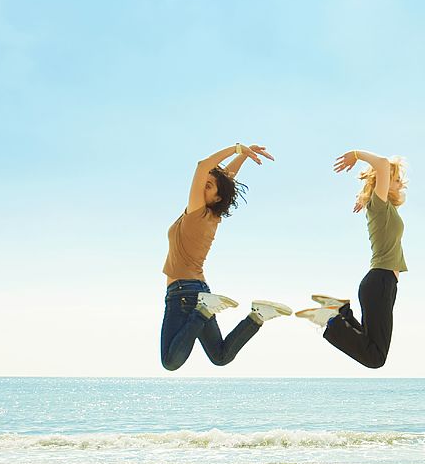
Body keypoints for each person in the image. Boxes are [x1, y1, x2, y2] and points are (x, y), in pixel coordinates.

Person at [160, 143, 291, 371]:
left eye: (207, 186)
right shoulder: (209, 215)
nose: (202, 187)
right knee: (220, 356)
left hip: (182, 293)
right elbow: (224, 180)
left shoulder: (197, 214)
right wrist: (243, 156)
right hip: (199, 290)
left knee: (170, 362)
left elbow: (202, 167)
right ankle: (257, 316)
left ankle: (202, 312)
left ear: (217, 197)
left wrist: (237, 148)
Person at [296, 149, 407, 368]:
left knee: (370, 344)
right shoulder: (379, 206)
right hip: (380, 282)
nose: (401, 183)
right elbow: (383, 164)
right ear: (382, 182)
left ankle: (339, 312)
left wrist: (363, 197)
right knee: (375, 359)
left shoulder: (384, 208)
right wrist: (356, 154)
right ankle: (331, 319)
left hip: (382, 283)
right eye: (396, 179)